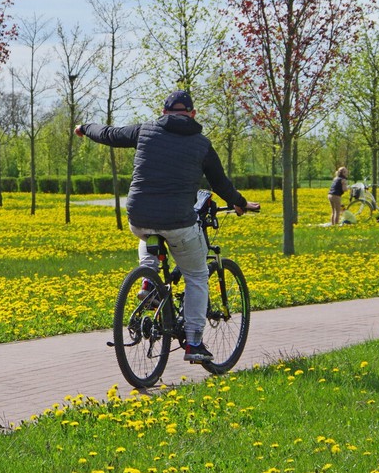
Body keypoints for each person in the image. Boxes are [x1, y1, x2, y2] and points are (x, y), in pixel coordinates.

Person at [75, 90, 259, 364]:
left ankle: (148, 280)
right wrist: (240, 203)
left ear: (163, 112)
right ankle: (194, 343)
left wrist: (84, 127)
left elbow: (110, 134)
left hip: (138, 216)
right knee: (196, 275)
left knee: (146, 229)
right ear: (193, 114)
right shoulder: (202, 144)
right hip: (178, 222)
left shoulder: (144, 131)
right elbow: (220, 184)